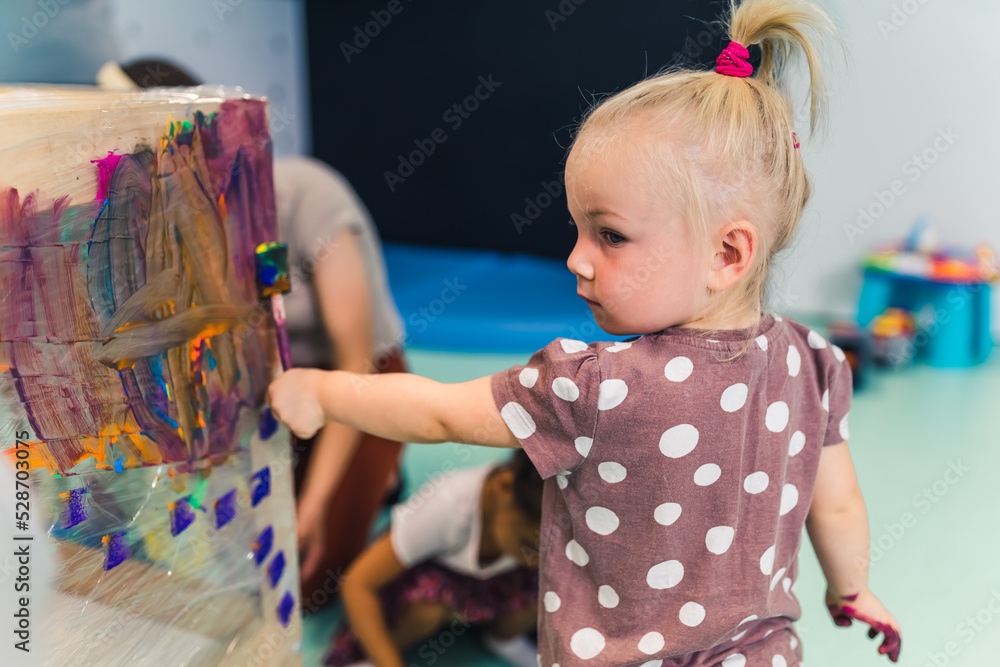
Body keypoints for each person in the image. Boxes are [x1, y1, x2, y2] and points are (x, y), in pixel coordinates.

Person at [267, 0, 903, 664]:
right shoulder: (817, 363)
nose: (575, 258)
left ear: (727, 255)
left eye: (610, 235)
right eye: (578, 229)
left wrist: (324, 391)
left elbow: (433, 413)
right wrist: (852, 588)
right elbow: (837, 504)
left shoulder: (596, 387)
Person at [102, 59, 411, 603]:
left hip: (357, 381)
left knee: (308, 577)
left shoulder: (304, 193)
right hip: (275, 382)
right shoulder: (174, 226)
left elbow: (355, 365)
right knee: (247, 558)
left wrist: (310, 508)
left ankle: (384, 473)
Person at [326, 451, 542, 667]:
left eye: (545, 553)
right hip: (430, 579)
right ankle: (379, 655)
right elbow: (357, 584)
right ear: (504, 487)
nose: (535, 563)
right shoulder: (448, 505)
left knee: (548, 582)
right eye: (528, 546)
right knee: (426, 610)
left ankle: (504, 638)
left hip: (485, 580)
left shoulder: (537, 532)